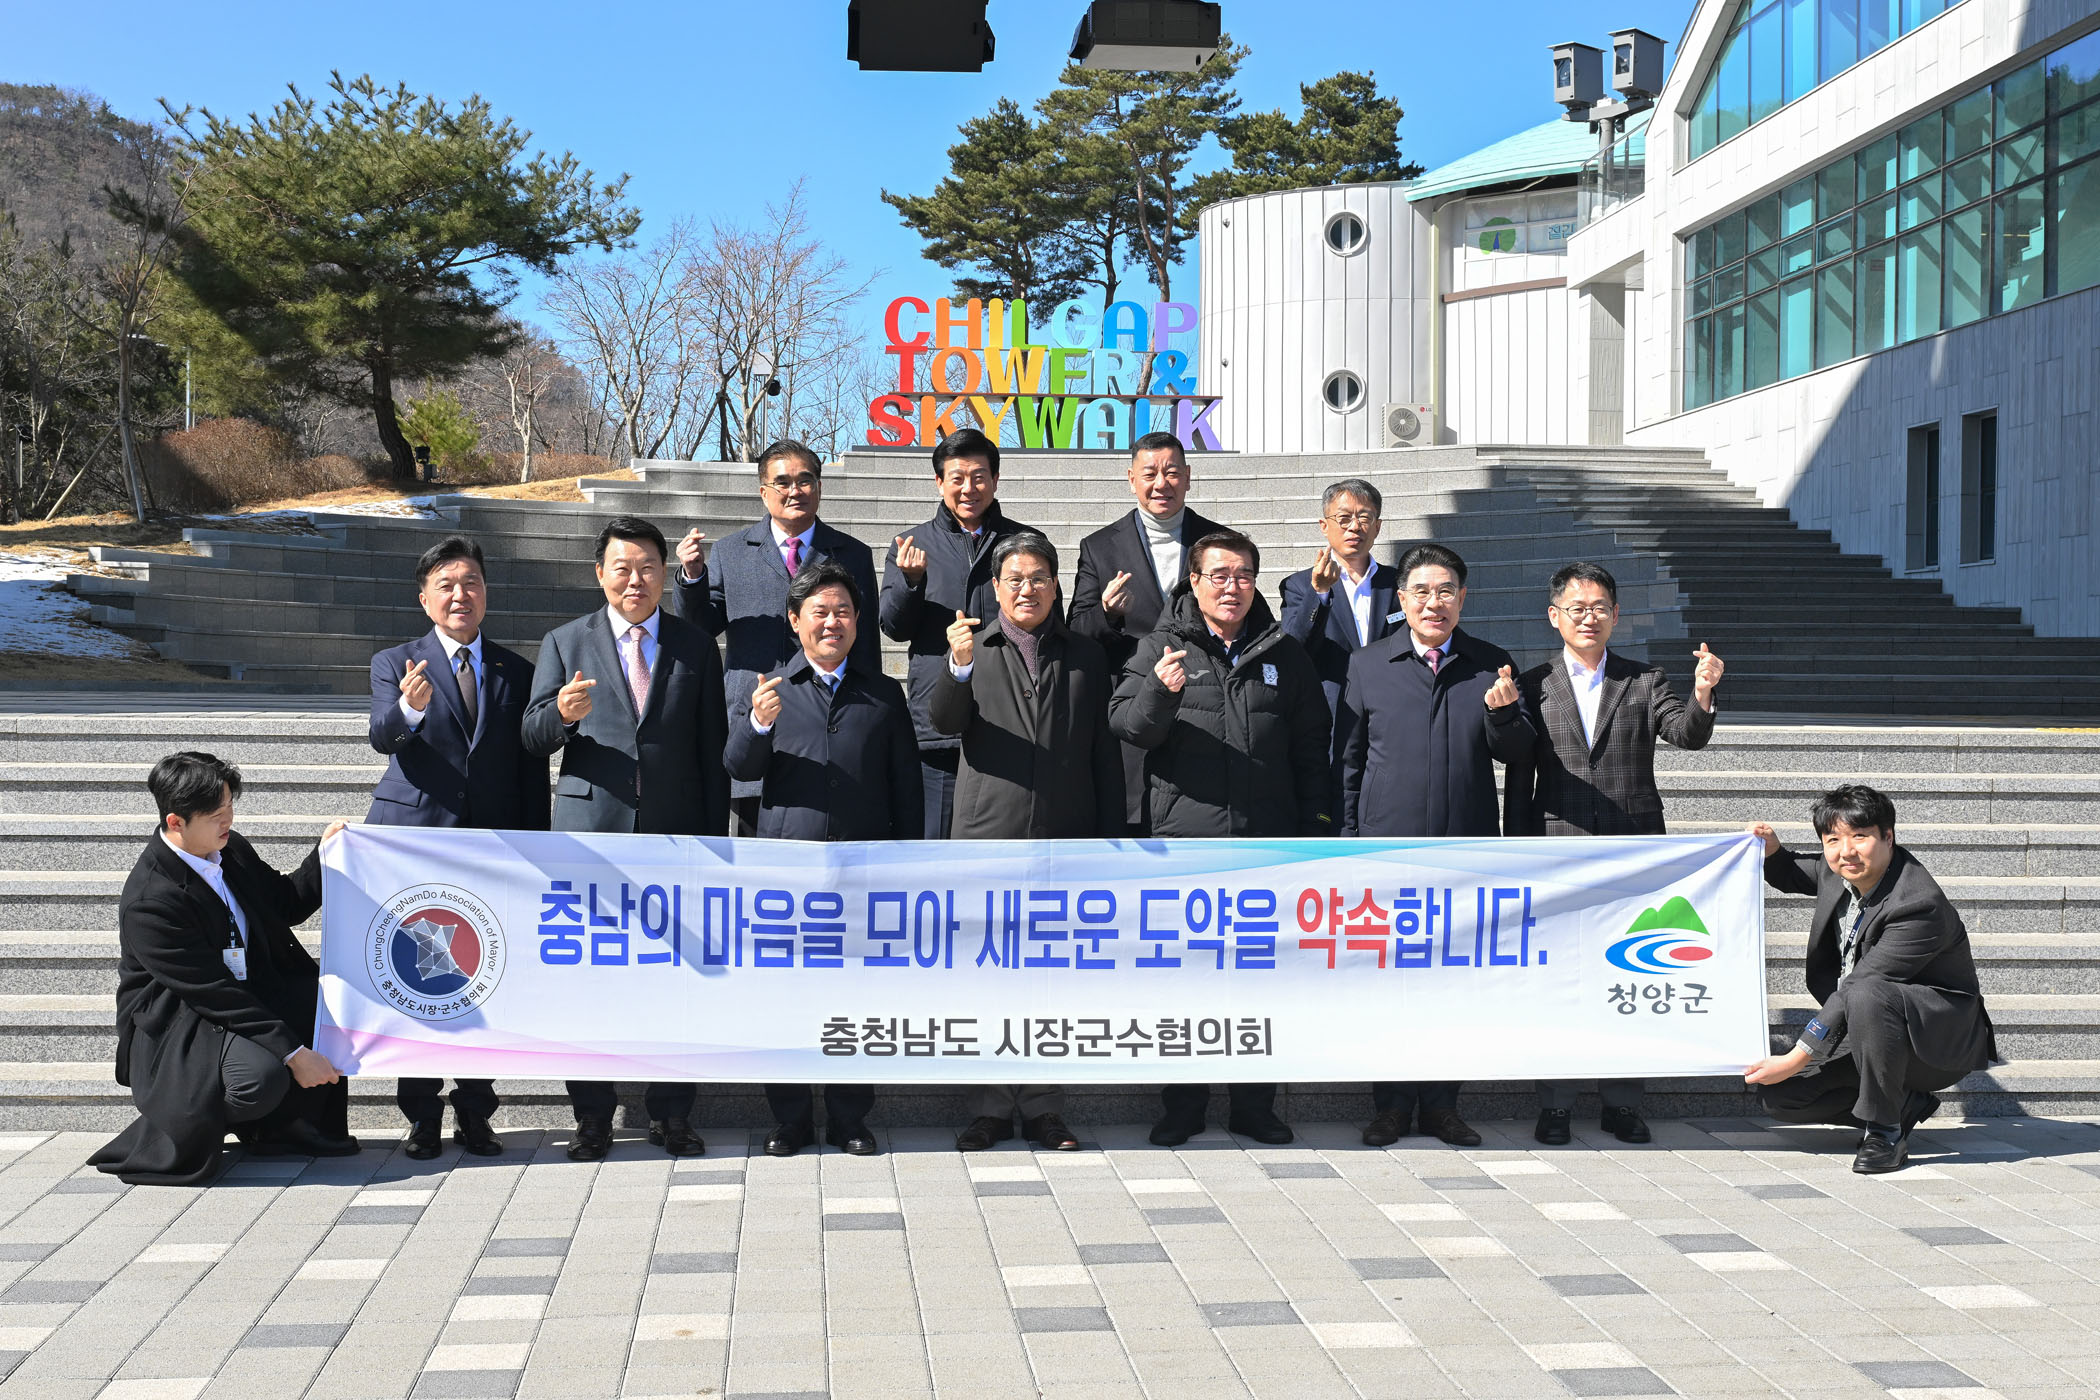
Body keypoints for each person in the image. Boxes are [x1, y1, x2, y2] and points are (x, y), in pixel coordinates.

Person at [1110, 529, 1331, 1148]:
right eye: (1219, 575)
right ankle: (1183, 1106)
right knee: (1186, 981)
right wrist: (1160, 690)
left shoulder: (1284, 652)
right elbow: (1127, 726)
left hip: (1266, 847)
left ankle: (1254, 1107)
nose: (1231, 587)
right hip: (1187, 848)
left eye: (1243, 576)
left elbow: (1312, 747)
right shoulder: (1161, 647)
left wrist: (1315, 827)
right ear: (1194, 581)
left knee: (1260, 982)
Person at [524, 516, 729, 1161]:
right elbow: (530, 735)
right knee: (590, 981)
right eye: (621, 568)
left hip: (675, 836)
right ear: (600, 574)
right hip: (591, 839)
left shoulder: (696, 647)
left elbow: (712, 751)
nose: (634, 580)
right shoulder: (565, 642)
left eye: (647, 568)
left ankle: (673, 1114)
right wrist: (561, 715)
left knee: (677, 980)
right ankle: (592, 1117)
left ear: (665, 574)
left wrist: (713, 843)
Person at [1504, 562, 1725, 1147]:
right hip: (1558, 850)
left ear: (1616, 615)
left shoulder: (1644, 680)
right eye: (1576, 608)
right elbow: (1518, 768)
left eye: (1599, 607)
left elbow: (1687, 734)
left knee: (1629, 975)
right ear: (1554, 617)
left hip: (1633, 851)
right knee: (1560, 980)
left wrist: (1703, 693)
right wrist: (1518, 848)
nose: (1589, 617)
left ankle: (1622, 1103)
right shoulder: (1533, 684)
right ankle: (1555, 1105)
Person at [1336, 543, 1536, 1150]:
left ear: (1463, 598)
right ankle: (1392, 1107)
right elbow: (1348, 762)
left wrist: (1504, 716)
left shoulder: (1491, 665)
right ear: (1401, 599)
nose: (1434, 602)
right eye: (1421, 591)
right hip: (1385, 855)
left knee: (1454, 983)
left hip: (1464, 855)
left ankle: (1443, 1106)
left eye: (1446, 590)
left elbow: (1519, 754)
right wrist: (1347, 842)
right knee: (1388, 984)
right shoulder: (1369, 665)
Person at [931, 532, 1120, 1155]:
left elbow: (1103, 753)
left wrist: (1107, 837)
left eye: (1038, 578)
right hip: (989, 838)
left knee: (1050, 979)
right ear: (994, 587)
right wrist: (957, 666)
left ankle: (1043, 1107)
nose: (1027, 589)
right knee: (989, 978)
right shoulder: (972, 647)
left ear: (1056, 585)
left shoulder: (1085, 655)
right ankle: (988, 1108)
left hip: (1065, 837)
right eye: (1014, 579)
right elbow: (943, 721)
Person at [724, 561, 921, 1157]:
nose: (831, 623)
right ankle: (789, 1119)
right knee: (785, 999)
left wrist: (905, 867)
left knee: (855, 1000)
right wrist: (757, 725)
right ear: (795, 621)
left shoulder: (883, 695)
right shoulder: (772, 691)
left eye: (843, 612)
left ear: (858, 621)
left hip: (863, 876)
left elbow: (906, 788)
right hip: (789, 877)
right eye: (819, 612)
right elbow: (739, 768)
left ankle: (848, 1118)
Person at [365, 534, 549, 1161]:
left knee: (485, 978)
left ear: (486, 593)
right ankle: (421, 1117)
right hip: (418, 844)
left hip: (491, 848)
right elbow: (382, 736)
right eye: (445, 584)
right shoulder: (396, 662)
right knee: (418, 977)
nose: (460, 594)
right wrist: (409, 710)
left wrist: (534, 847)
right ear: (425, 599)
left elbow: (528, 767)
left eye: (470, 582)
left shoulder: (515, 670)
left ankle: (476, 1112)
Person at [89, 753, 354, 1185]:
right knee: (260, 1079)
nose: (228, 820)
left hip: (243, 992)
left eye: (230, 806)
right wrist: (295, 1054)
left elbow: (286, 903)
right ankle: (185, 1123)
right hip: (182, 1021)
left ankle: (288, 1126)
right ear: (176, 822)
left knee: (327, 999)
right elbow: (212, 992)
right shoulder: (151, 900)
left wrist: (326, 855)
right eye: (216, 815)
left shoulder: (228, 849)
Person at [1746, 786, 1998, 1173]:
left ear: (1888, 837)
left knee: (1866, 992)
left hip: (1932, 1040)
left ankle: (1884, 1133)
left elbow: (1860, 985)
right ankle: (1902, 1105)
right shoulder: (1839, 872)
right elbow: (1793, 872)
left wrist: (1796, 1056)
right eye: (1833, 839)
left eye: (1860, 836)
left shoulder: (1918, 904)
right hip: (1868, 1028)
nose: (1846, 851)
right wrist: (1772, 850)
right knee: (1779, 1096)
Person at [671, 439, 881, 836]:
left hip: (830, 720)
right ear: (763, 491)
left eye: (805, 481)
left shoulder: (853, 553)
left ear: (819, 487)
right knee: (754, 844)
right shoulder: (731, 551)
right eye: (782, 482)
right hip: (757, 715)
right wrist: (692, 578)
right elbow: (700, 626)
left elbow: (865, 640)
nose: (794, 491)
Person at [880, 428, 1050, 838]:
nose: (968, 488)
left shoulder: (1026, 545)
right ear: (939, 483)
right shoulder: (911, 545)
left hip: (1011, 721)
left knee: (1004, 844)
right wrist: (910, 582)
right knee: (937, 849)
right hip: (938, 728)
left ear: (995, 479)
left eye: (979, 477)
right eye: (957, 478)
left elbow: (1050, 626)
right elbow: (893, 627)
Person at [1068, 430, 1226, 834]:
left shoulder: (1219, 543)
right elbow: (1075, 631)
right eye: (1150, 473)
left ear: (1187, 477)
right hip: (1133, 708)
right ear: (1131, 479)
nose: (1161, 484)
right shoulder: (1099, 546)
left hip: (1202, 706)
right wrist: (1106, 613)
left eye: (1171, 472)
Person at [1277, 479, 1403, 716]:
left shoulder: (1399, 583)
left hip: (1391, 708)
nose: (1354, 527)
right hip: (1331, 711)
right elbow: (1294, 649)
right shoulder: (1299, 585)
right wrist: (1320, 592)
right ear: (1324, 526)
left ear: (1377, 526)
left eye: (1364, 518)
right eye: (1344, 518)